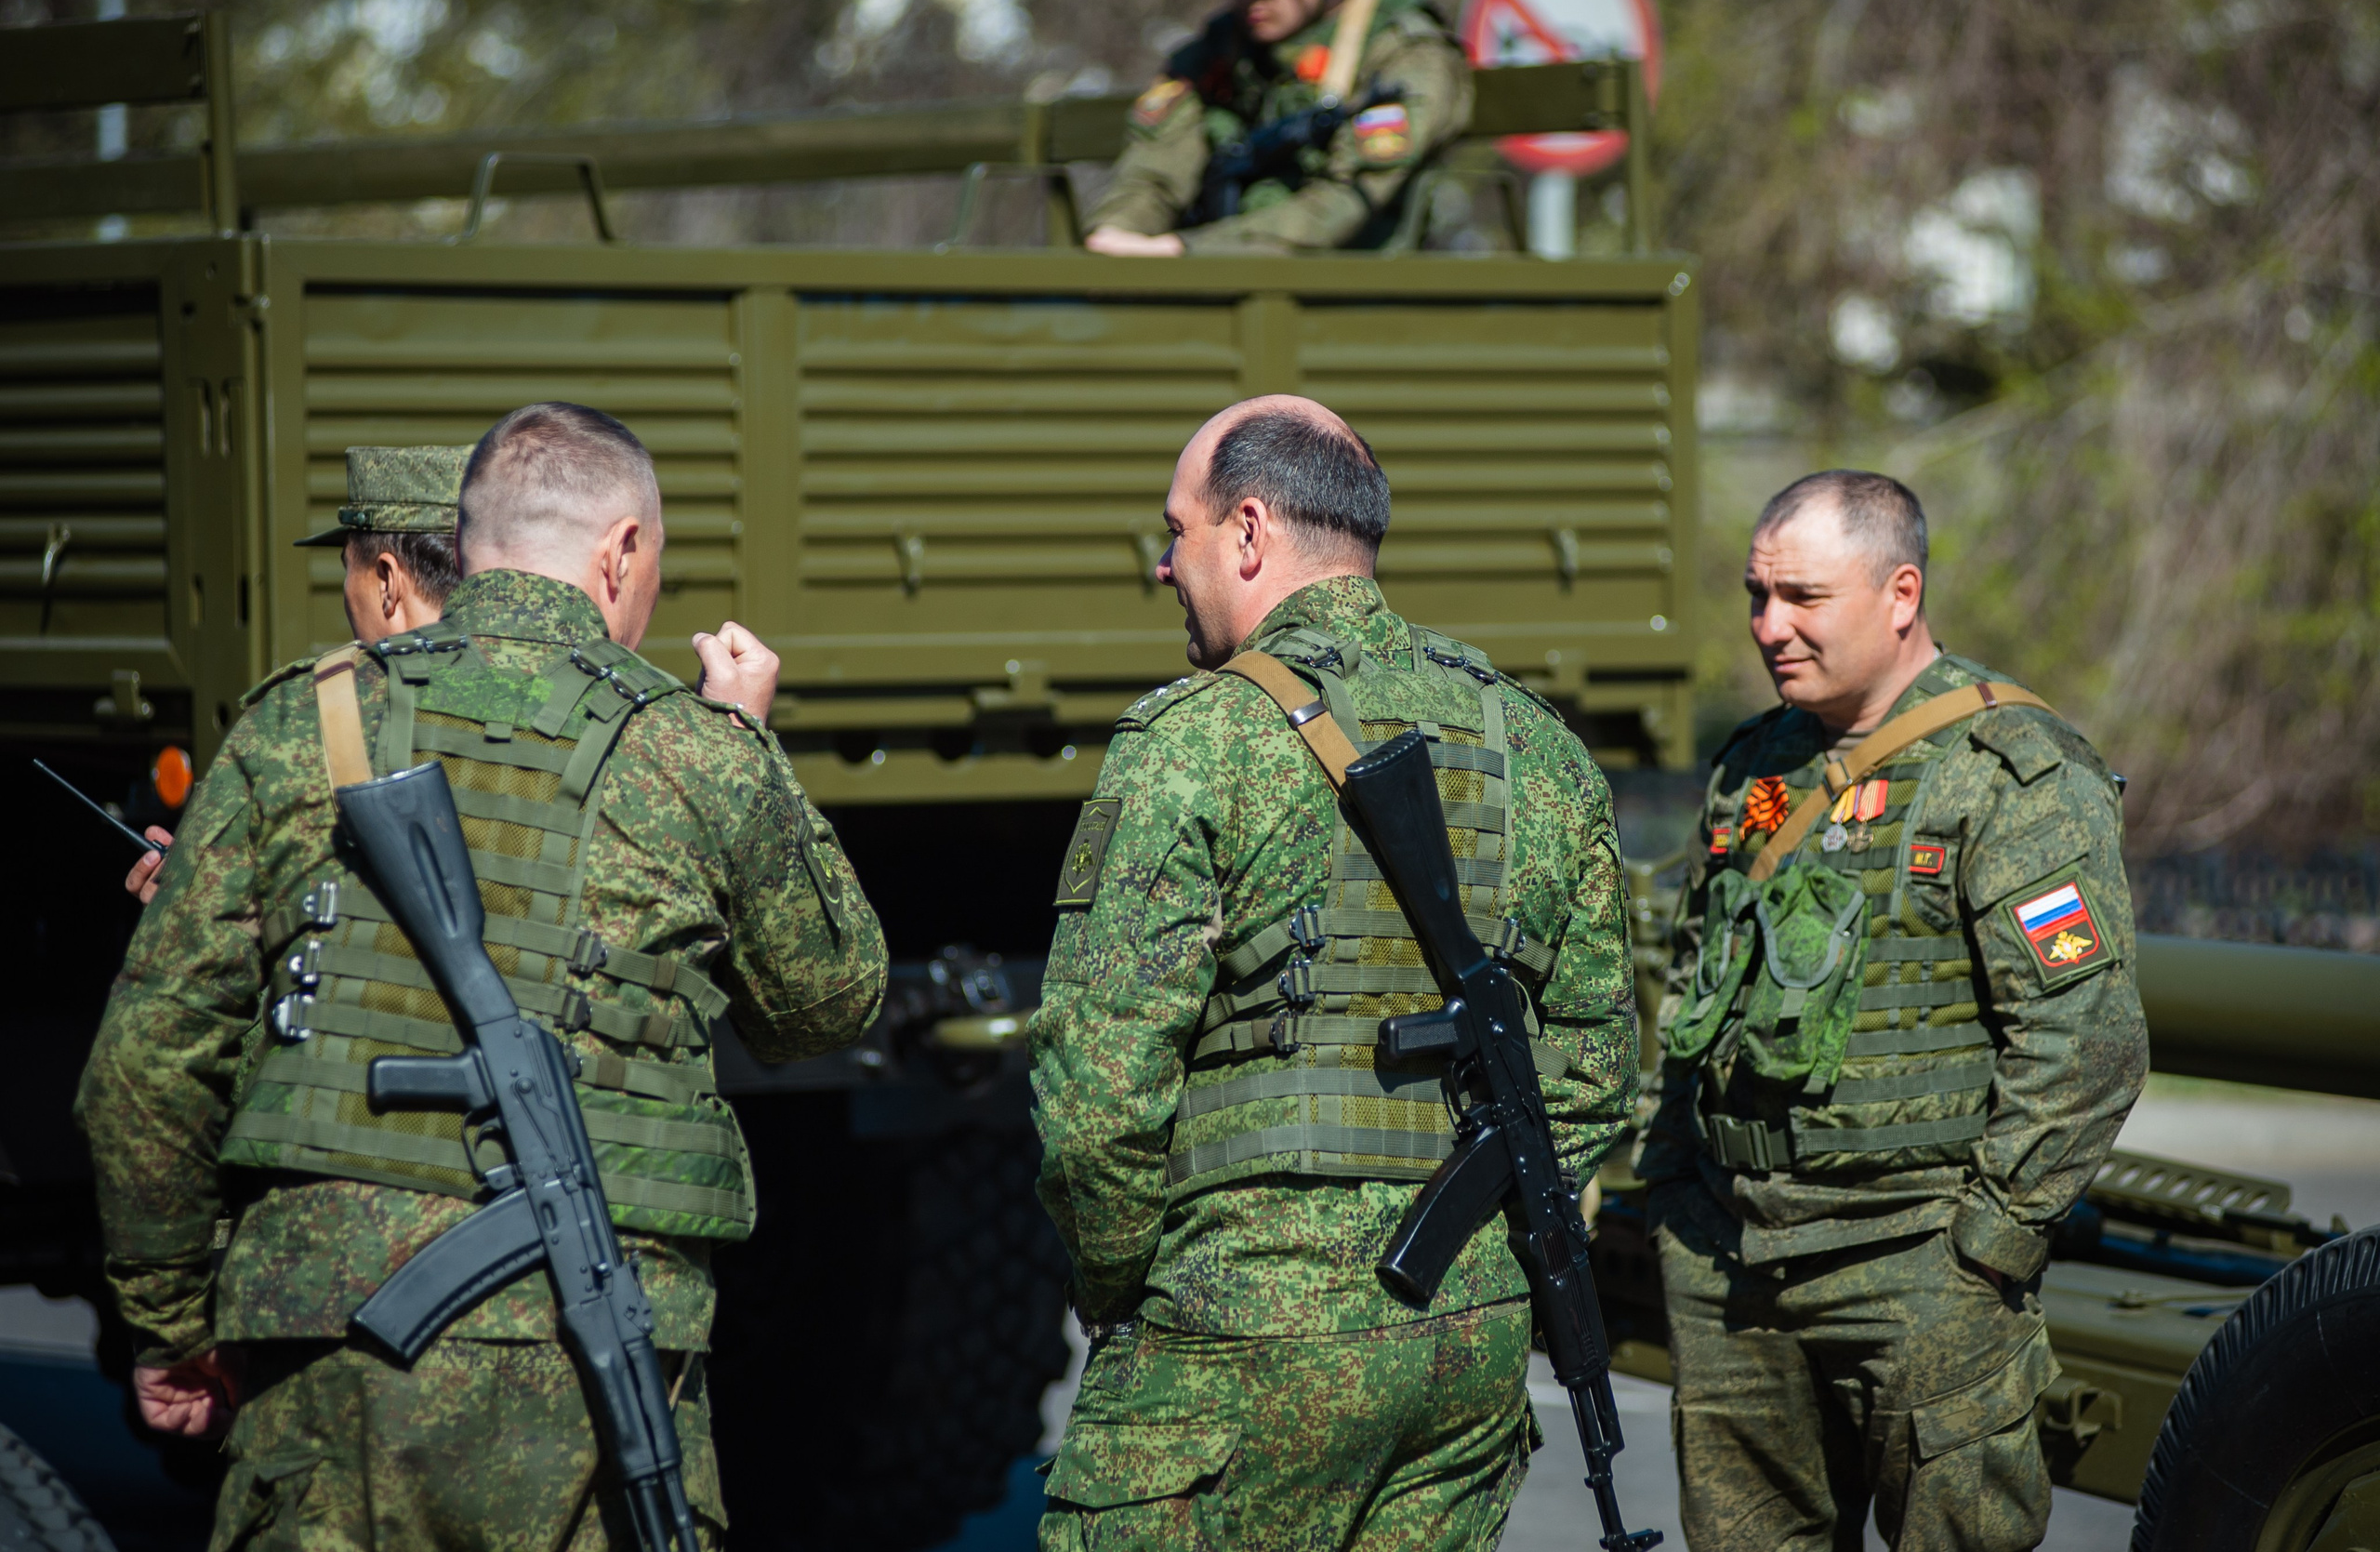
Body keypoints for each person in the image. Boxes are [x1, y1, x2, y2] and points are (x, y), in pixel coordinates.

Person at [76, 401, 887, 1548]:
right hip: (598, 1341)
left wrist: (172, 1320)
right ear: (620, 553)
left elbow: (147, 1068)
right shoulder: (691, 749)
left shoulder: (298, 724)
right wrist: (748, 743)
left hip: (328, 1334)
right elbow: (829, 1005)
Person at [1030, 395, 1639, 1547]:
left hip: (1238, 1337)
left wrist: (1120, 1289)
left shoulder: (1193, 741)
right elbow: (1597, 1064)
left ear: (1249, 532)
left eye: (1178, 530)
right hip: (1464, 1341)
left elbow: (1097, 1089)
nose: (1164, 565)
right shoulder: (1540, 743)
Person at [1637, 471, 2146, 1551]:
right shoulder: (1753, 766)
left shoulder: (2007, 774)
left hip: (1916, 1267)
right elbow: (1699, 985)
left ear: (1900, 593)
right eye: (1755, 596)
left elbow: (2084, 1040)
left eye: (1803, 599)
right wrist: (1680, 1194)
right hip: (1737, 1266)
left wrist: (1981, 1254)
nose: (1769, 627)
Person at [126, 445, 779, 905]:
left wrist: (186, 904)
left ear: (386, 580)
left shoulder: (298, 729)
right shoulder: (653, 729)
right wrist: (736, 741)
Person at [1083, 0, 1473, 257]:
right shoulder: (1223, 49)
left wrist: (1185, 251)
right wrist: (1116, 235)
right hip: (1227, 279)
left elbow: (1343, 205)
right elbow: (1152, 175)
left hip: (1357, 293)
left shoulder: (1403, 52)